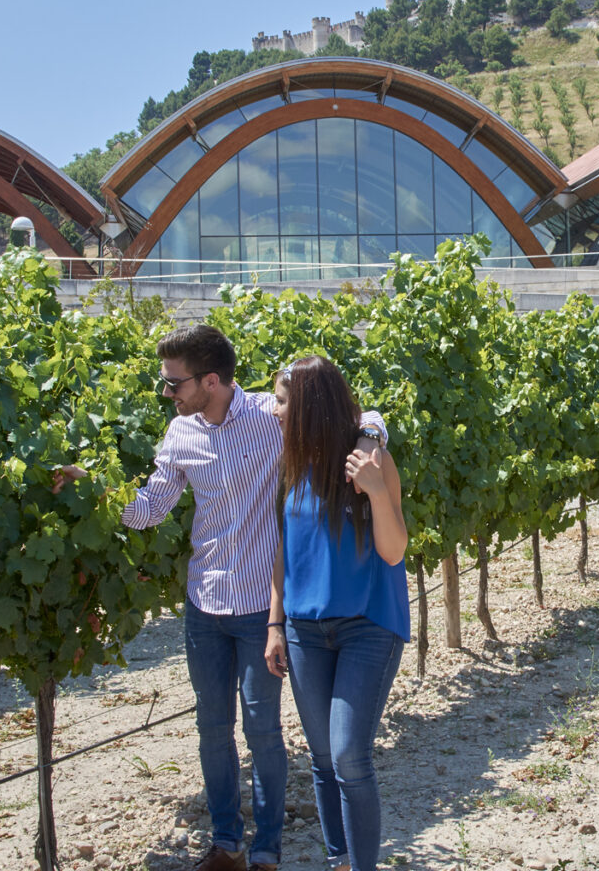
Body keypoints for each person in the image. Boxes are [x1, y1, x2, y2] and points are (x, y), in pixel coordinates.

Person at [54, 325, 387, 871]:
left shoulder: (268, 416)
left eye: (174, 384)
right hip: (204, 603)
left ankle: (267, 850)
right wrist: (92, 484)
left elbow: (357, 418)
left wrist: (373, 438)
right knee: (213, 727)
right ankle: (227, 842)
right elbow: (147, 510)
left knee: (263, 730)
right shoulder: (180, 434)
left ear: (211, 380)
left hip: (263, 605)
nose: (168, 394)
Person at [264, 356, 409, 871]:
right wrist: (275, 623)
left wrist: (374, 491)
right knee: (322, 759)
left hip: (367, 625)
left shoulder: (368, 459)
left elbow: (394, 551)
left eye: (281, 400)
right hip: (304, 630)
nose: (273, 410)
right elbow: (285, 548)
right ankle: (340, 861)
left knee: (349, 755)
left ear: (308, 406)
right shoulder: (294, 462)